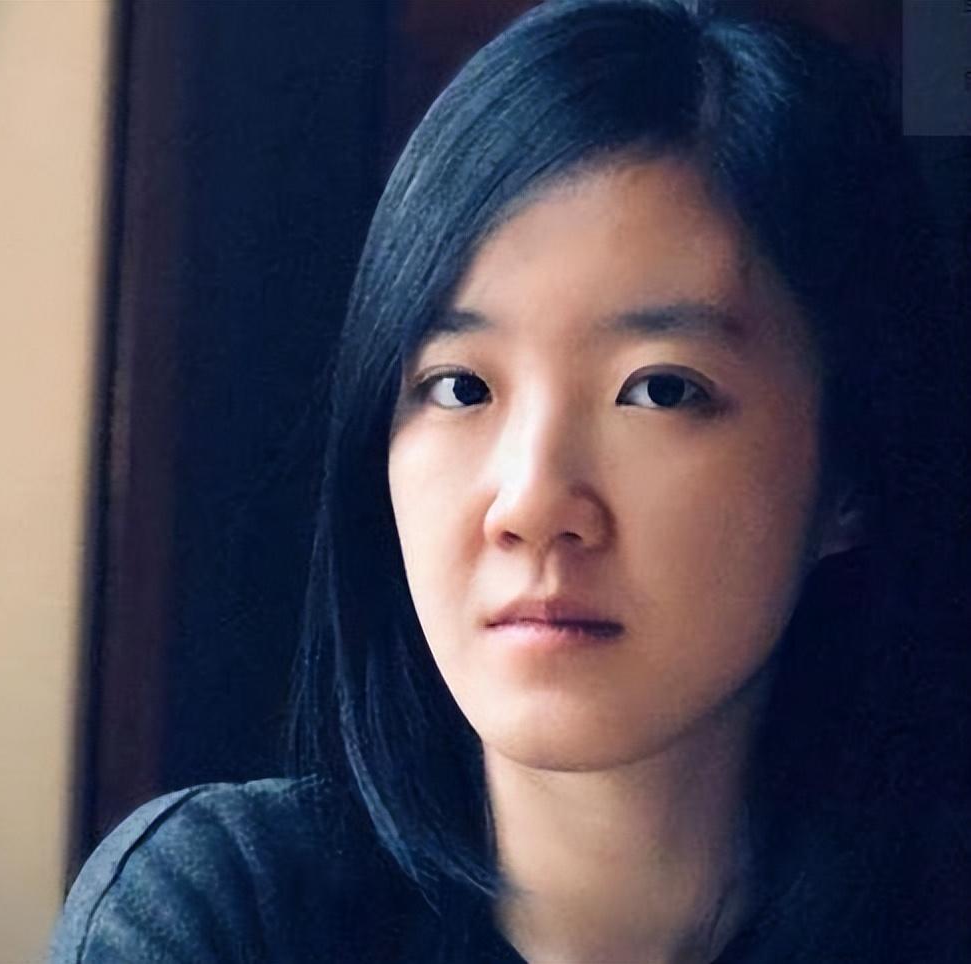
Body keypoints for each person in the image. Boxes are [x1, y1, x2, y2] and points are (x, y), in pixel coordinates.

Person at [49, 1, 970, 961]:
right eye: (460, 386)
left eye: (659, 389)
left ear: (851, 472)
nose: (530, 502)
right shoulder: (230, 913)